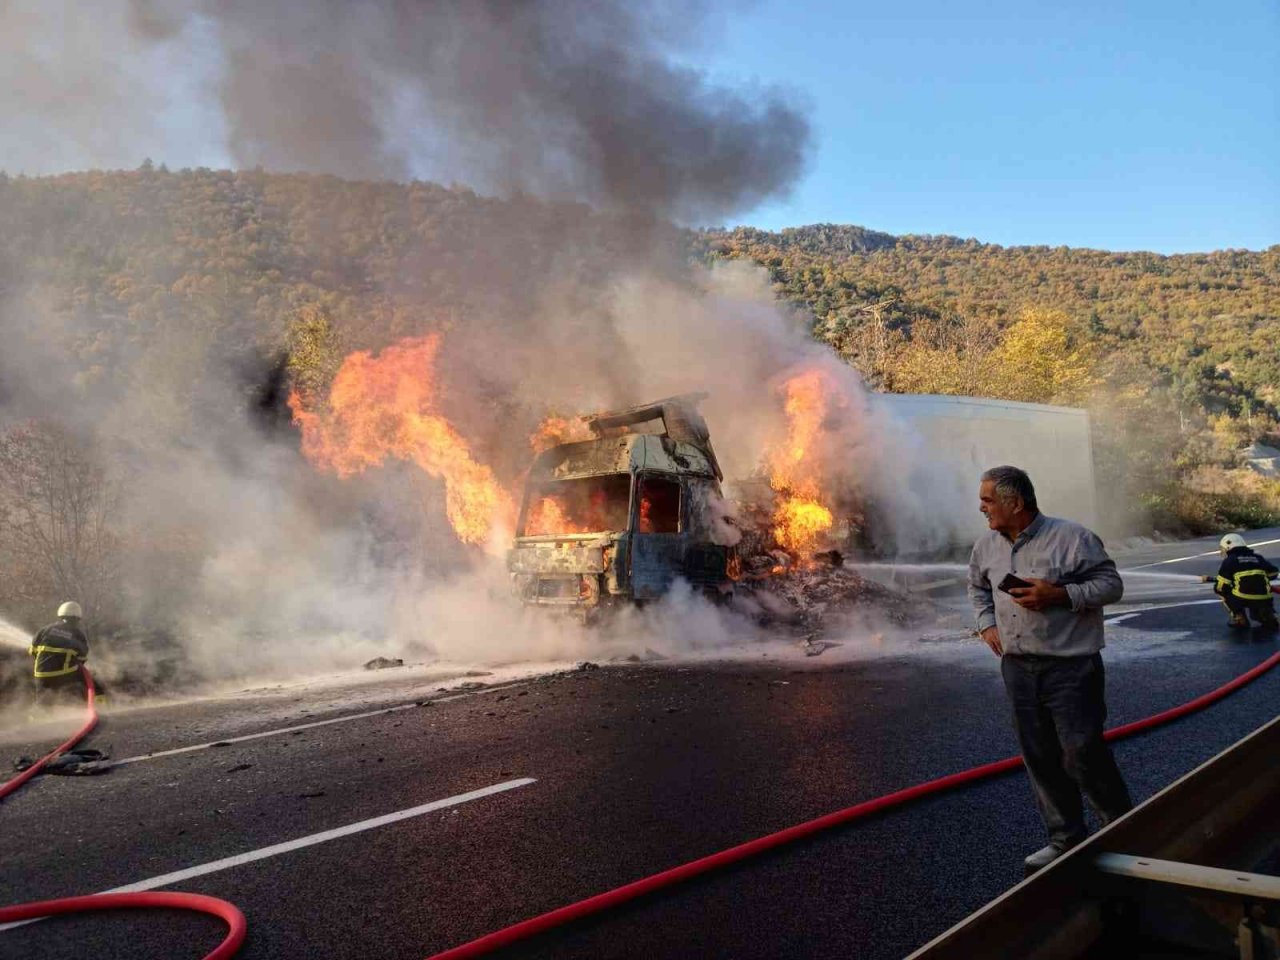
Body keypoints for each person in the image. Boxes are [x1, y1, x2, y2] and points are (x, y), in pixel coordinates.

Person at [967, 466, 1132, 872]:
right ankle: (1065, 839)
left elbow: (1111, 585)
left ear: (1014, 503)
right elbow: (978, 588)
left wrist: (1059, 595)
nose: (981, 507)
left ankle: (1125, 834)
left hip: (1070, 668)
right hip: (1017, 668)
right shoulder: (985, 547)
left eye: (988, 500)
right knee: (1039, 756)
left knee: (1082, 753)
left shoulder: (1072, 538)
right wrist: (987, 624)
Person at [1203, 534, 1279, 631]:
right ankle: (1269, 615)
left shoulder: (1230, 561)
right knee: (1258, 614)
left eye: (1223, 548)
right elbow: (1274, 572)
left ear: (1228, 546)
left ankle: (1239, 617)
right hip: (1264, 598)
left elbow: (1221, 586)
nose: (1222, 551)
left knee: (1219, 589)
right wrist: (1260, 578)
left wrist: (1231, 584)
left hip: (1242, 598)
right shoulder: (1258, 557)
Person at [29, 601, 93, 704]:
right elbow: (82, 658)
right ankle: (79, 707)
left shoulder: (45, 630)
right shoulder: (78, 634)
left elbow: (32, 650)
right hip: (64, 674)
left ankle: (39, 713)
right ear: (77, 619)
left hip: (41, 673)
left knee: (43, 703)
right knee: (75, 692)